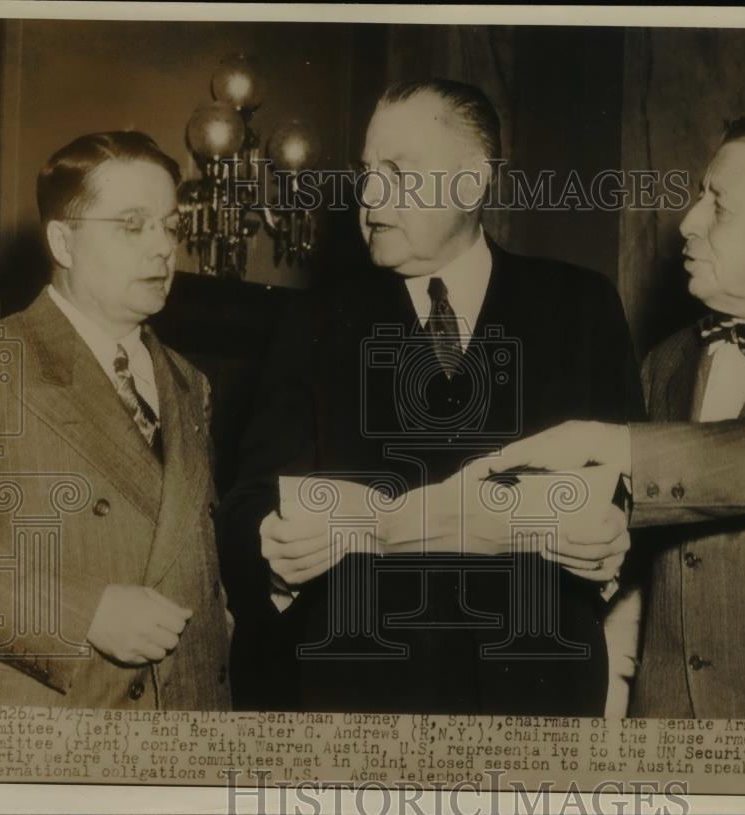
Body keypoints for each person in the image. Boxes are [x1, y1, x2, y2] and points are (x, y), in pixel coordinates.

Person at [463, 114, 745, 720]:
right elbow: (643, 549)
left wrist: (611, 444)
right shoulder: (667, 361)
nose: (688, 222)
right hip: (667, 735)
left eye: (717, 205)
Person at [220, 78, 644, 714]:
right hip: (357, 697)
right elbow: (249, 497)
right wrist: (272, 548)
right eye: (367, 172)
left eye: (397, 172)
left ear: (471, 184)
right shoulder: (313, 323)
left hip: (536, 696)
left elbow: (631, 486)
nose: (369, 196)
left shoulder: (580, 307)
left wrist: (614, 536)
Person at [0, 131, 232, 710]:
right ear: (63, 241)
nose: (162, 248)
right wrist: (83, 613)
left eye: (170, 226)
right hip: (62, 732)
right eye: (132, 225)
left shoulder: (190, 384)